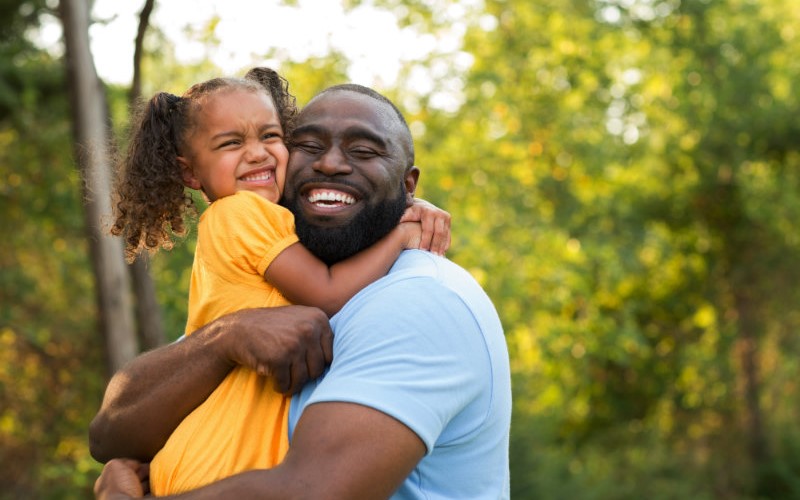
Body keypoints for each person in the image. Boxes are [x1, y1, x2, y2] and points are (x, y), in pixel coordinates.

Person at [91, 81, 511, 499]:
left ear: (408, 185)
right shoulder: (265, 287)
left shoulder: (420, 301)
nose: (329, 164)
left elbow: (311, 492)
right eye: (307, 146)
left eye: (363, 152)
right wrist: (227, 337)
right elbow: (110, 437)